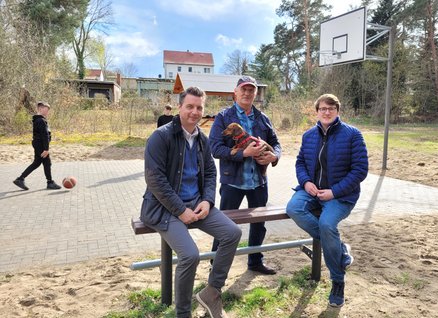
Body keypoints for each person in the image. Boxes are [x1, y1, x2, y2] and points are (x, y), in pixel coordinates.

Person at [140, 86, 241, 318]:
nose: (194, 112)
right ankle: (183, 313)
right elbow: (155, 180)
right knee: (190, 256)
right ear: (180, 107)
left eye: (199, 108)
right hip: (164, 208)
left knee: (232, 233)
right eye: (190, 106)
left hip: (196, 204)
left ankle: (212, 293)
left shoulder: (202, 139)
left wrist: (207, 200)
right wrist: (180, 210)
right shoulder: (161, 136)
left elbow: (210, 172)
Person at [285, 94, 368, 307]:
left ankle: (338, 281)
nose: (327, 112)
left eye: (331, 108)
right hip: (312, 190)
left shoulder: (353, 135)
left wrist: (334, 192)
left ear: (338, 110)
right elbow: (300, 163)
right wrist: (305, 183)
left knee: (327, 224)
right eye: (323, 108)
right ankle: (339, 249)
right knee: (294, 208)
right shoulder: (309, 135)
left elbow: (360, 170)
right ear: (317, 111)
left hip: (341, 195)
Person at [209, 75, 281, 275]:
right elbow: (214, 148)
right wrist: (243, 154)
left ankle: (255, 261)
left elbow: (276, 143)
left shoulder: (262, 118)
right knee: (223, 224)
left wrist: (273, 157)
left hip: (258, 181)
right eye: (244, 89)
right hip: (233, 181)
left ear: (255, 94)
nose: (247, 93)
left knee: (259, 224)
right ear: (236, 92)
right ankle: (215, 264)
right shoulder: (224, 117)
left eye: (251, 90)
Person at [13, 101, 61, 190]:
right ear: (40, 109)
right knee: (46, 163)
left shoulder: (38, 120)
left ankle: (20, 179)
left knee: (38, 163)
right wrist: (46, 149)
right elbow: (44, 135)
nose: (48, 112)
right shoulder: (41, 120)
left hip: (38, 144)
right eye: (46, 110)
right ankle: (50, 182)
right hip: (41, 145)